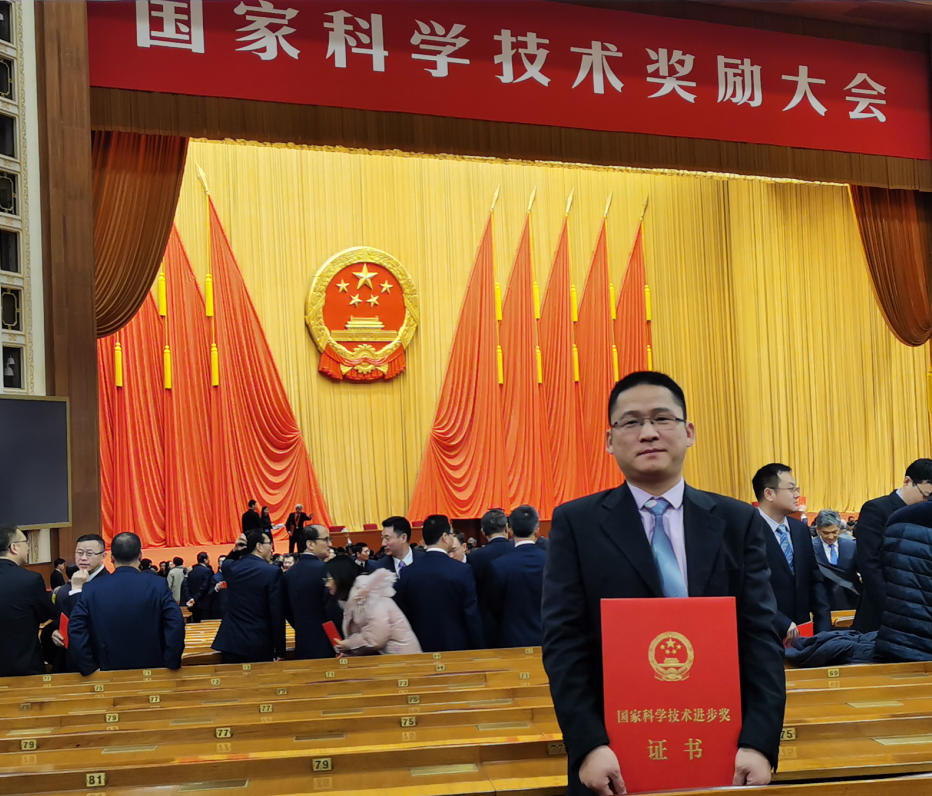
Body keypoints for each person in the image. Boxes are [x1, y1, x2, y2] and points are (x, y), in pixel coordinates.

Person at [542, 372, 785, 795]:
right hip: (612, 758)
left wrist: (758, 743)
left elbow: (759, 637)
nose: (648, 433)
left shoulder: (736, 521)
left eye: (662, 418)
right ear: (609, 440)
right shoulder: (576, 524)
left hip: (725, 749)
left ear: (688, 432)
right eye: (631, 422)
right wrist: (588, 746)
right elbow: (564, 643)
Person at [68, 532, 185, 675]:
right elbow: (176, 622)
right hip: (153, 670)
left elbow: (76, 629)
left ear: (111, 558)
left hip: (106, 671)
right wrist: (171, 662)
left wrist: (89, 667)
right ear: (140, 556)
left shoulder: (91, 588)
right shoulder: (157, 585)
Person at [752, 463, 832, 643]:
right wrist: (781, 622)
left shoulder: (799, 529)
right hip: (764, 634)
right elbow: (749, 588)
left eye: (797, 489)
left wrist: (824, 629)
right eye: (791, 489)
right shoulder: (748, 530)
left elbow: (814, 580)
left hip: (803, 635)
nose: (797, 495)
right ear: (769, 493)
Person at [853, 459, 932, 633]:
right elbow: (869, 564)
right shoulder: (876, 509)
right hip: (882, 611)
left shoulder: (926, 514)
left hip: (921, 611)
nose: (926, 501)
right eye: (925, 495)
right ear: (907, 481)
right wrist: (895, 607)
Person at [395, 514, 484, 652]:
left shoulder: (407, 572)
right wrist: (479, 648)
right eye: (451, 534)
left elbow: (403, 616)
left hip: (420, 648)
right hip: (457, 647)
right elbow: (471, 615)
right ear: (445, 537)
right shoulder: (462, 570)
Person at [212, 529, 286, 663]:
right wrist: (280, 649)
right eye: (270, 544)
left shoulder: (231, 568)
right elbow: (276, 613)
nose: (272, 549)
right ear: (259, 546)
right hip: (259, 642)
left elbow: (227, 562)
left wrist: (235, 550)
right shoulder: (272, 572)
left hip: (230, 642)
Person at [328, 555, 421, 656]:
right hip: (388, 658)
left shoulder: (370, 598)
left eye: (329, 579)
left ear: (340, 578)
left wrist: (349, 644)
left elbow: (376, 639)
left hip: (402, 659)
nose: (327, 584)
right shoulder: (354, 600)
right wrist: (349, 652)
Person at [487, 505, 548, 648]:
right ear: (537, 529)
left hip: (512, 640)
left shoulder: (498, 565)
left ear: (509, 530)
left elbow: (494, 607)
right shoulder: (553, 562)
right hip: (547, 638)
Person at [0, 526, 54, 677]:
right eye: (25, 542)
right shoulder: (30, 580)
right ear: (14, 547)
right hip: (23, 665)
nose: (28, 547)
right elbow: (46, 614)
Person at [284, 525, 337, 660]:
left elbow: (287, 610)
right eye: (326, 540)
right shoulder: (325, 570)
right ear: (310, 544)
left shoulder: (289, 573)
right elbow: (333, 610)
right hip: (327, 644)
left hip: (302, 641)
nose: (330, 544)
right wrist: (337, 641)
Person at [468, 508, 514, 648]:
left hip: (486, 624)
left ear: (483, 532)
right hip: (516, 623)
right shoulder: (517, 551)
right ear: (507, 528)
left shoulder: (474, 557)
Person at [811, 509, 860, 611]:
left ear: (839, 528)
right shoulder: (808, 548)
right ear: (818, 530)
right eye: (825, 533)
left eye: (834, 532)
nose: (830, 537)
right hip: (820, 603)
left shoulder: (852, 546)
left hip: (851, 601)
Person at [185, 552, 215, 622]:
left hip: (193, 604)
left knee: (196, 622)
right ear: (205, 560)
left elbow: (186, 586)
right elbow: (205, 587)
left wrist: (190, 598)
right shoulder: (208, 571)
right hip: (205, 603)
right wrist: (195, 598)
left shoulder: (191, 572)